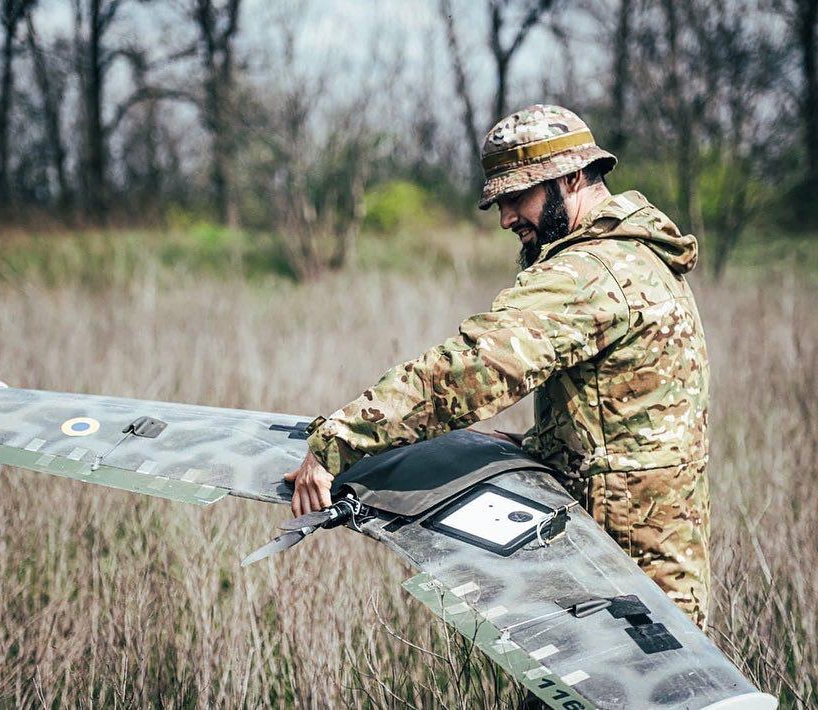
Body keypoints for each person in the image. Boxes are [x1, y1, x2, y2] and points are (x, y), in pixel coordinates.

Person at [284, 104, 712, 627]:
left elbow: (470, 371)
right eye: (500, 203)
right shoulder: (638, 255)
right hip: (656, 564)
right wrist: (537, 446)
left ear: (572, 178)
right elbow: (627, 424)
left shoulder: (589, 272)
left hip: (624, 586)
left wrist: (337, 441)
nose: (507, 219)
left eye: (516, 197)